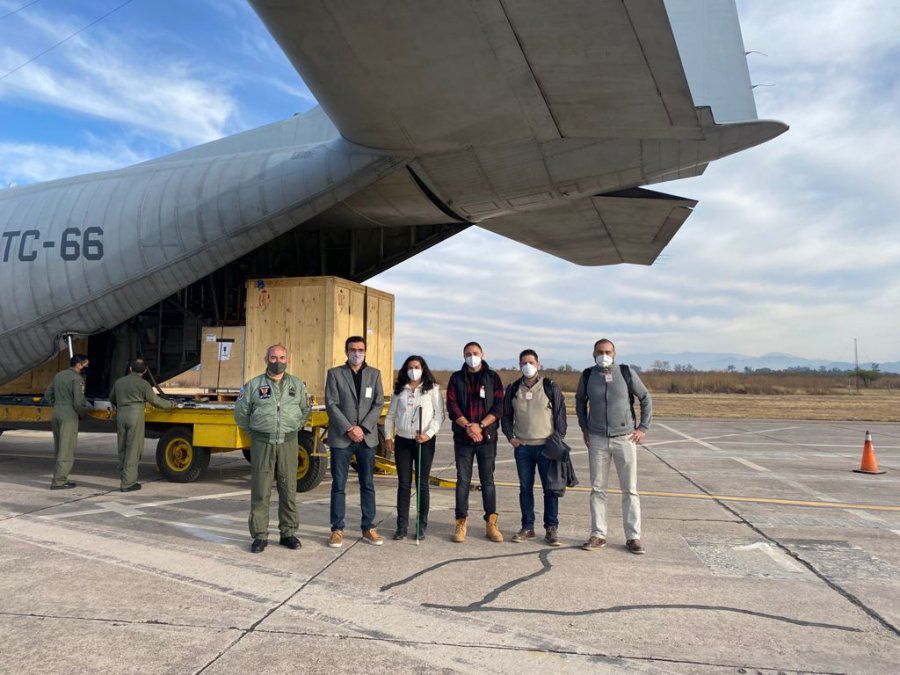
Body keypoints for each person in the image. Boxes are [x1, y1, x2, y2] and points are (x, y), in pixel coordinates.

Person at [575, 339, 652, 554]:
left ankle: (633, 537)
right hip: (597, 439)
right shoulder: (588, 375)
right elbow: (580, 401)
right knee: (598, 489)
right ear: (593, 353)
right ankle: (598, 534)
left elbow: (645, 398)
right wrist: (584, 427)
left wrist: (643, 427)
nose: (604, 355)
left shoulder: (626, 373)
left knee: (630, 489)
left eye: (607, 351)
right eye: (600, 351)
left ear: (615, 353)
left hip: (625, 438)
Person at [234, 344, 311, 554]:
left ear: (288, 360)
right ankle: (260, 535)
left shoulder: (297, 385)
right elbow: (241, 414)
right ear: (266, 359)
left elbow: (305, 409)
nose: (278, 361)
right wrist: (257, 432)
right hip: (262, 443)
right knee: (261, 489)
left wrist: (293, 427)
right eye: (274, 357)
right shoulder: (253, 385)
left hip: (288, 442)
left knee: (288, 489)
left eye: (282, 357)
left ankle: (288, 533)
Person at [501, 349, 567, 547]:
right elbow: (505, 416)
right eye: (523, 362)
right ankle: (527, 527)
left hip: (546, 448)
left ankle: (551, 528)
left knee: (551, 490)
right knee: (525, 489)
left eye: (531, 362)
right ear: (519, 365)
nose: (527, 366)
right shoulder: (513, 388)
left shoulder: (550, 387)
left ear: (538, 364)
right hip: (523, 448)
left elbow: (561, 419)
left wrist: (555, 441)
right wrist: (511, 437)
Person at [324, 336, 384, 548]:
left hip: (366, 438)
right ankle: (337, 529)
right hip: (342, 438)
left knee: (367, 484)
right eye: (352, 349)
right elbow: (331, 404)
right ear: (346, 351)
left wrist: (363, 428)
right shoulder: (335, 374)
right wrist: (349, 428)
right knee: (338, 485)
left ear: (365, 351)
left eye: (360, 349)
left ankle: (368, 527)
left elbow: (378, 404)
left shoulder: (374, 375)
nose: (356, 353)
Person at [445, 341, 504, 543]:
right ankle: (461, 522)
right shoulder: (456, 378)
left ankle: (491, 522)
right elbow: (452, 407)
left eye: (475, 353)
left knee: (488, 480)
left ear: (482, 354)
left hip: (487, 438)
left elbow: (498, 406)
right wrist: (469, 427)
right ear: (463, 356)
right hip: (463, 438)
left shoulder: (492, 377)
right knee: (463, 481)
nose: (472, 356)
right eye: (468, 353)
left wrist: (480, 426)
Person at [384, 355, 444, 540]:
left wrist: (428, 434)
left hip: (424, 442)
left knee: (422, 484)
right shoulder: (399, 390)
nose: (413, 370)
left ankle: (421, 525)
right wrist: (388, 436)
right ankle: (401, 526)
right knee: (403, 484)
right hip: (403, 440)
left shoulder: (432, 390)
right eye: (410, 367)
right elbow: (391, 415)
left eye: (416, 366)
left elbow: (439, 415)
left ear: (423, 368)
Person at [109, 358, 176, 492]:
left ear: (130, 369)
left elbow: (112, 398)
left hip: (121, 415)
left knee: (122, 447)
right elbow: (155, 401)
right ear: (145, 371)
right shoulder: (143, 384)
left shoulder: (119, 382)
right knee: (133, 449)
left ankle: (123, 476)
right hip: (135, 416)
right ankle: (128, 483)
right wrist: (171, 404)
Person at [44, 354, 90, 489]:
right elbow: (78, 402)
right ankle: (59, 481)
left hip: (57, 412)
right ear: (78, 364)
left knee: (59, 447)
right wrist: (82, 413)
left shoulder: (59, 375)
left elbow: (48, 394)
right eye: (86, 364)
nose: (87, 366)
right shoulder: (77, 379)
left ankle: (59, 476)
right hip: (69, 415)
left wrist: (58, 405)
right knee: (67, 448)